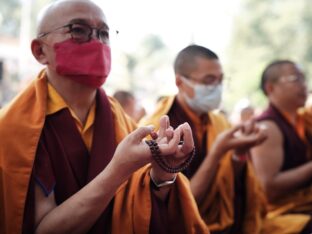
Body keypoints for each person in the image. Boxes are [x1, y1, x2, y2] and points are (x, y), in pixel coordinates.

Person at [0, 1, 209, 233]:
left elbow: (144, 205)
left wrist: (162, 175)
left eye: (103, 33)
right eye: (78, 30)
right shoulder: (16, 128)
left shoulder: (120, 119)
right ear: (40, 51)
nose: (97, 42)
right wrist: (118, 170)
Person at [140, 44, 267, 233]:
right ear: (180, 82)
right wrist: (218, 152)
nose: (217, 87)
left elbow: (230, 184)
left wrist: (239, 154)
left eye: (221, 80)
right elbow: (173, 204)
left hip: (224, 224)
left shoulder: (219, 122)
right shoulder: (155, 129)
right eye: (209, 80)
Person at [250, 60, 312, 233]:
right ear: (270, 88)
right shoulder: (268, 127)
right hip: (280, 215)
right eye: (295, 79)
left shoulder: (302, 120)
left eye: (304, 79)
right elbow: (269, 187)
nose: (303, 85)